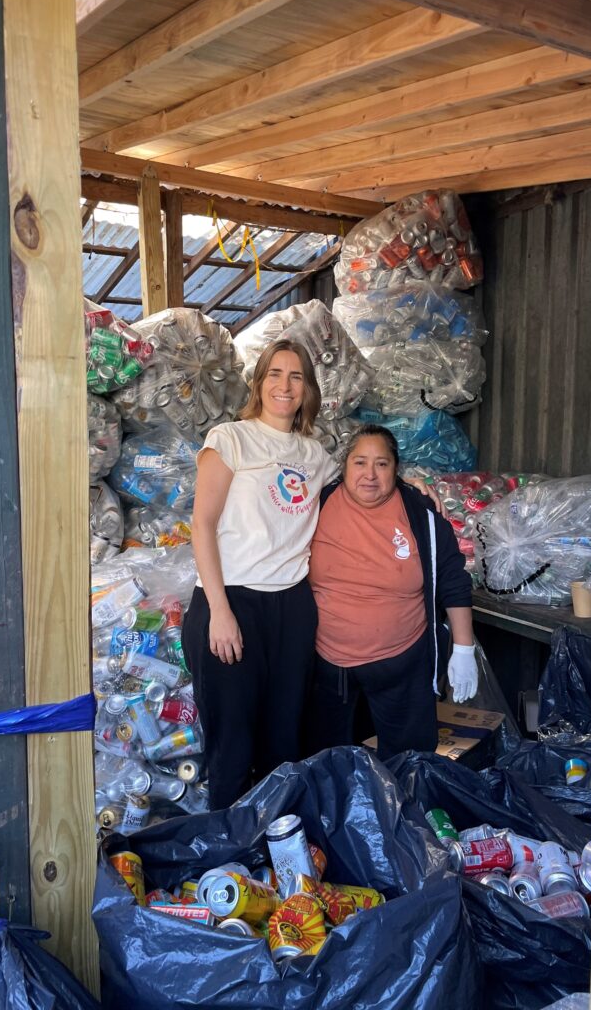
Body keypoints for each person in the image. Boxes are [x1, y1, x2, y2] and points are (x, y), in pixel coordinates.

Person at [182, 339, 340, 810]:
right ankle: (230, 845)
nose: (284, 385)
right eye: (275, 373)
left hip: (292, 606)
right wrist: (219, 611)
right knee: (232, 743)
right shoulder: (231, 439)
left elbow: (360, 487)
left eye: (296, 376)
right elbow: (202, 525)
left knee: (284, 738)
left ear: (308, 389)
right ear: (259, 383)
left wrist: (410, 483)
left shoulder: (316, 455)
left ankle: (278, 841)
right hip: (231, 600)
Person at [305, 424, 478, 762]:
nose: (370, 474)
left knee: (409, 763)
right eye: (360, 462)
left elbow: (452, 578)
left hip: (403, 661)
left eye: (381, 464)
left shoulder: (420, 511)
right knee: (328, 763)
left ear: (396, 469)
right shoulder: (317, 503)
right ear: (344, 466)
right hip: (328, 666)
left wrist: (463, 647)